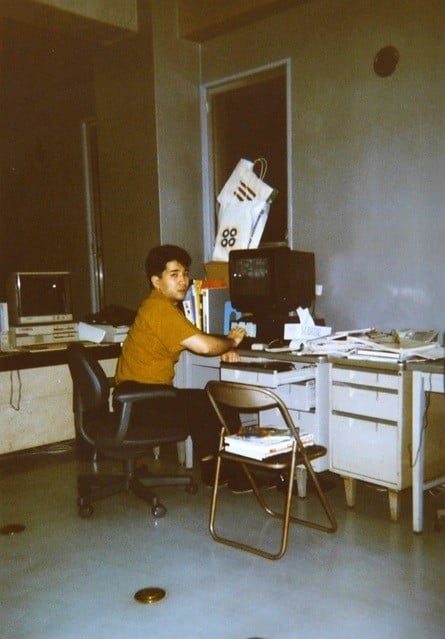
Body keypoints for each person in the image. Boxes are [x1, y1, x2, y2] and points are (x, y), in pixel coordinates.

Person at [115, 244, 272, 493]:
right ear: (156, 281)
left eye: (185, 273)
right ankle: (241, 475)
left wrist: (220, 346)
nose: (184, 281)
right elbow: (202, 346)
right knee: (214, 400)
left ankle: (213, 471)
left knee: (198, 402)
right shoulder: (159, 310)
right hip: (142, 401)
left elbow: (197, 339)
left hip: (137, 399)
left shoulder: (157, 306)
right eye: (174, 274)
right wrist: (230, 342)